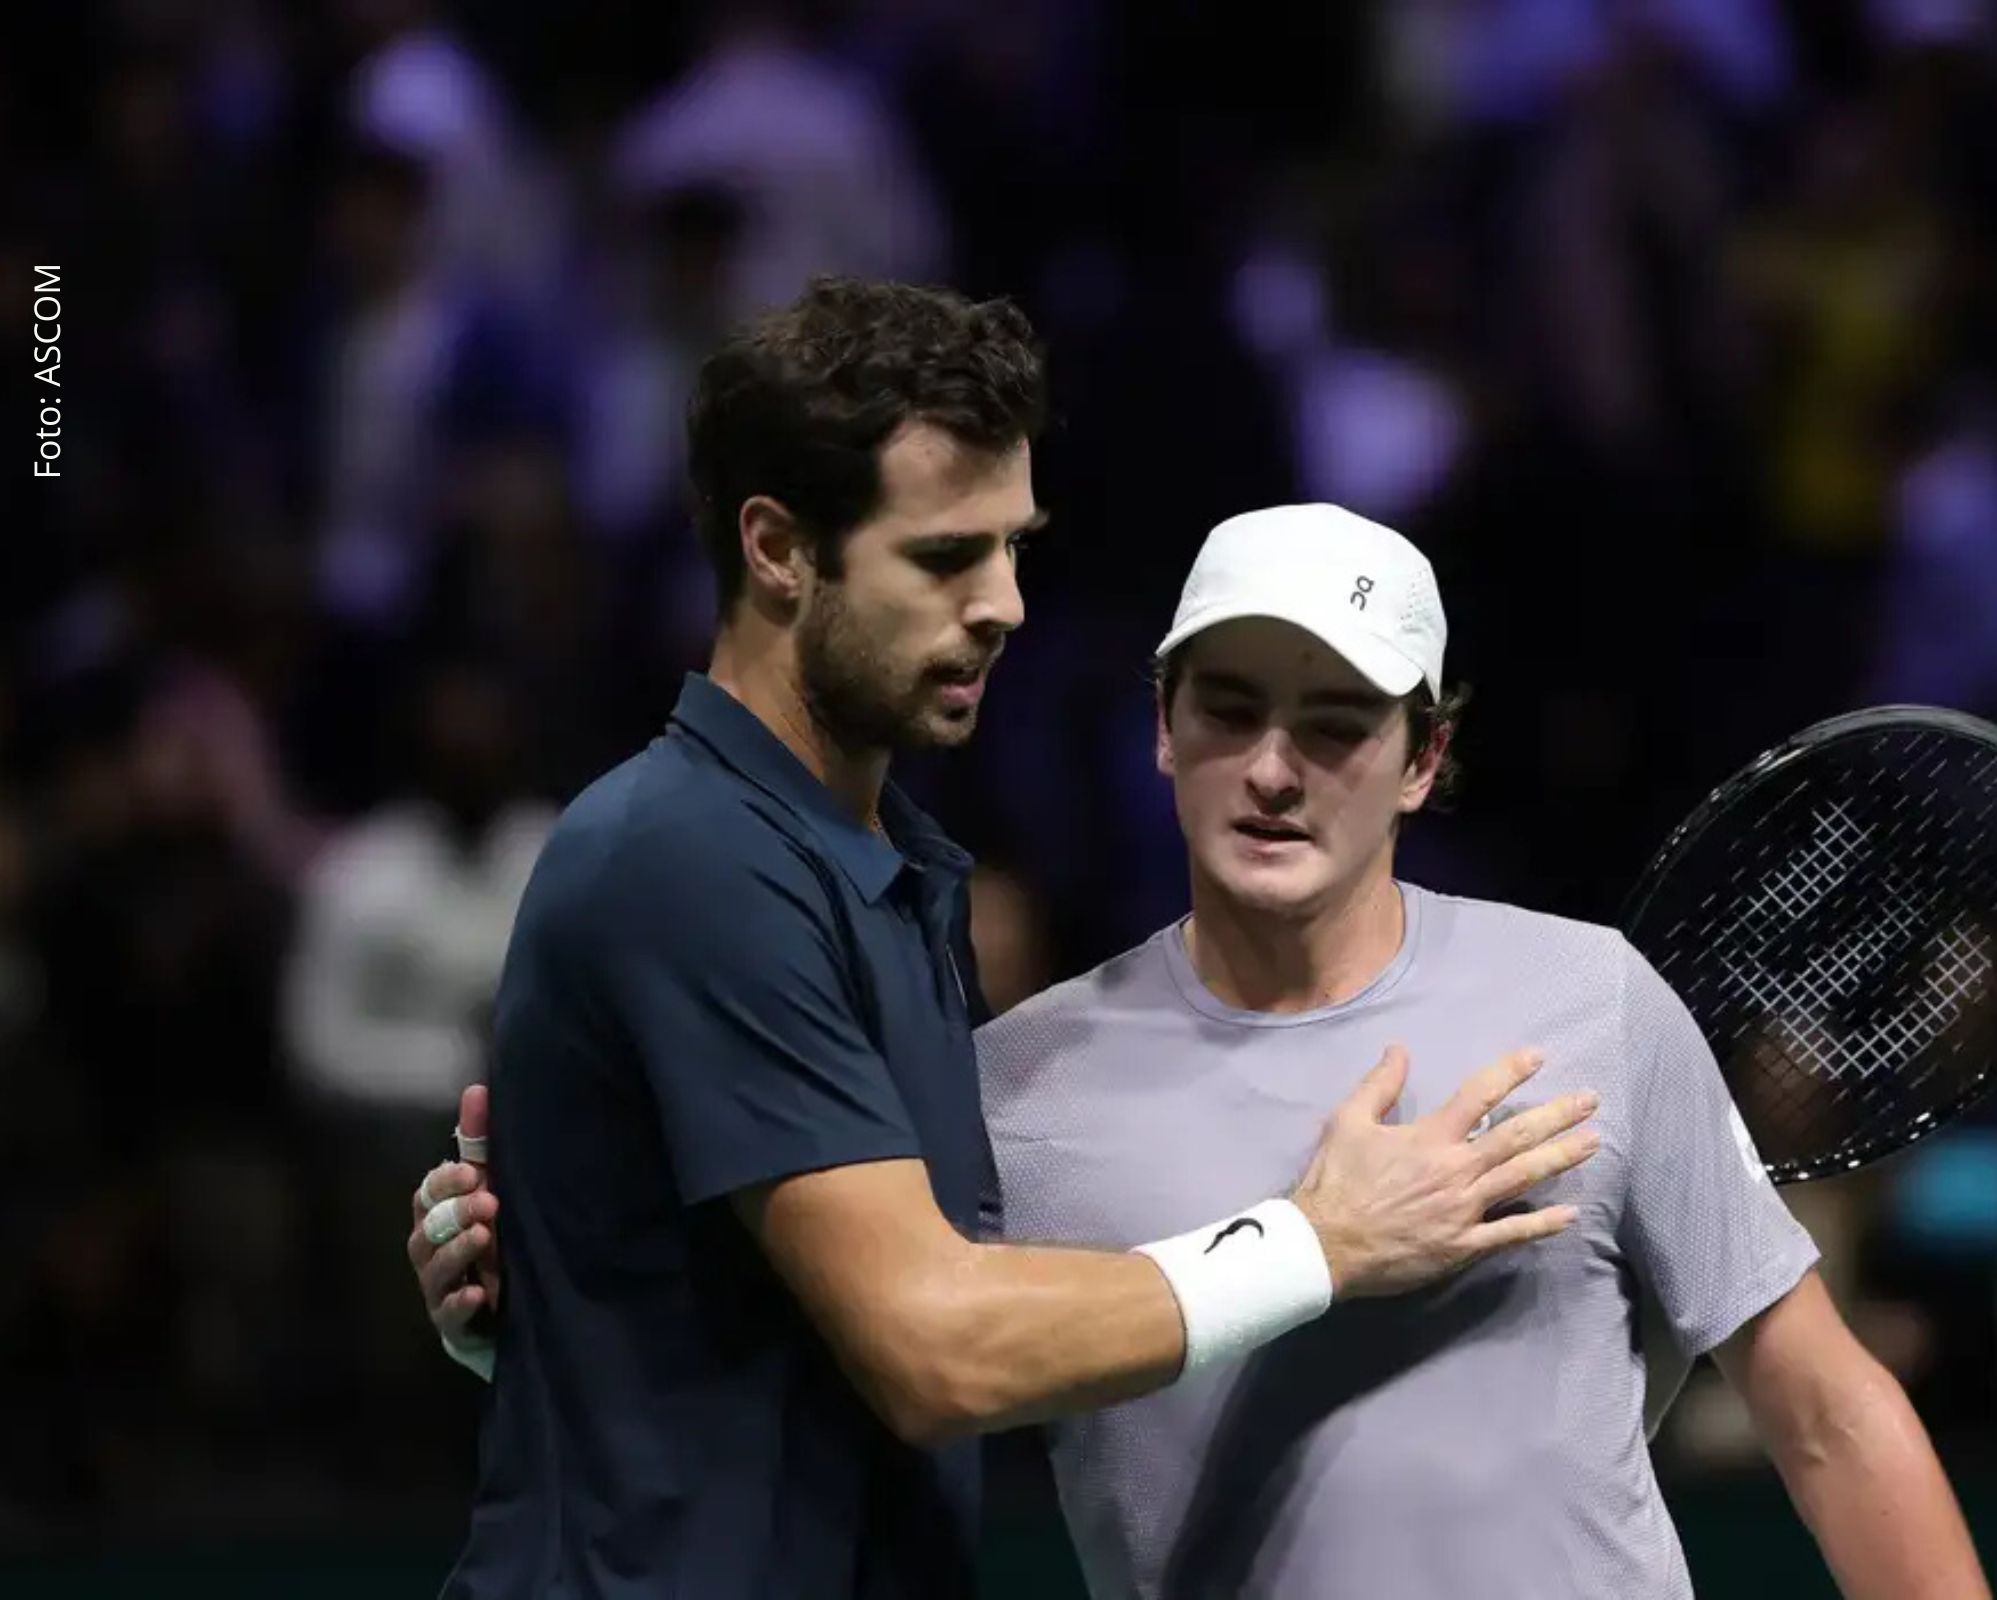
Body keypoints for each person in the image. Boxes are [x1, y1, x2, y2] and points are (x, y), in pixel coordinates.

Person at [420, 492, 1991, 1597]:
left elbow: (1827, 1409)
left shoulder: (1592, 1001)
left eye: (1337, 725)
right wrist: (527, 1304)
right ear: (1160, 728)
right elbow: (811, 1361)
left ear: (1427, 756)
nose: (1274, 771)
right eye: (1229, 711)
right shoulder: (1010, 1095)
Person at [415, 278, 1602, 1600]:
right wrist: (1318, 1244)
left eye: (1015, 547)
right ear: (776, 549)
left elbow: (894, 1296)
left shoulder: (881, 869)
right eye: (943, 557)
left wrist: (557, 1302)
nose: (1005, 605)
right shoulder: (692, 858)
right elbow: (939, 1346)